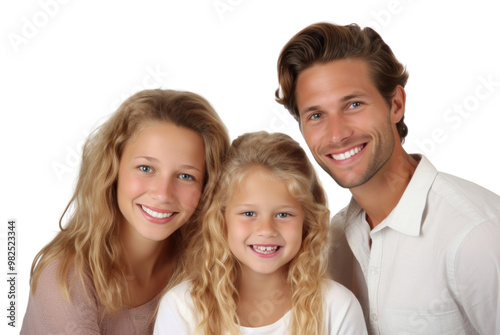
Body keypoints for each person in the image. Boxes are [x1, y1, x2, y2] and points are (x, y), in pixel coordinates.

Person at [275, 22, 500, 334]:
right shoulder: (330, 242)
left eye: (353, 104)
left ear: (396, 104)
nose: (337, 134)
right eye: (316, 115)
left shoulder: (476, 235)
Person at [21, 89, 230, 334]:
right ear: (112, 169)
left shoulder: (206, 267)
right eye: (145, 168)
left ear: (208, 186)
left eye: (186, 176)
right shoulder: (64, 278)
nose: (163, 194)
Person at [153, 131, 368, 334]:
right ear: (220, 219)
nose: (266, 230)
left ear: (307, 222)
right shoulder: (182, 306)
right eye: (248, 213)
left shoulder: (337, 306)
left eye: (283, 215)